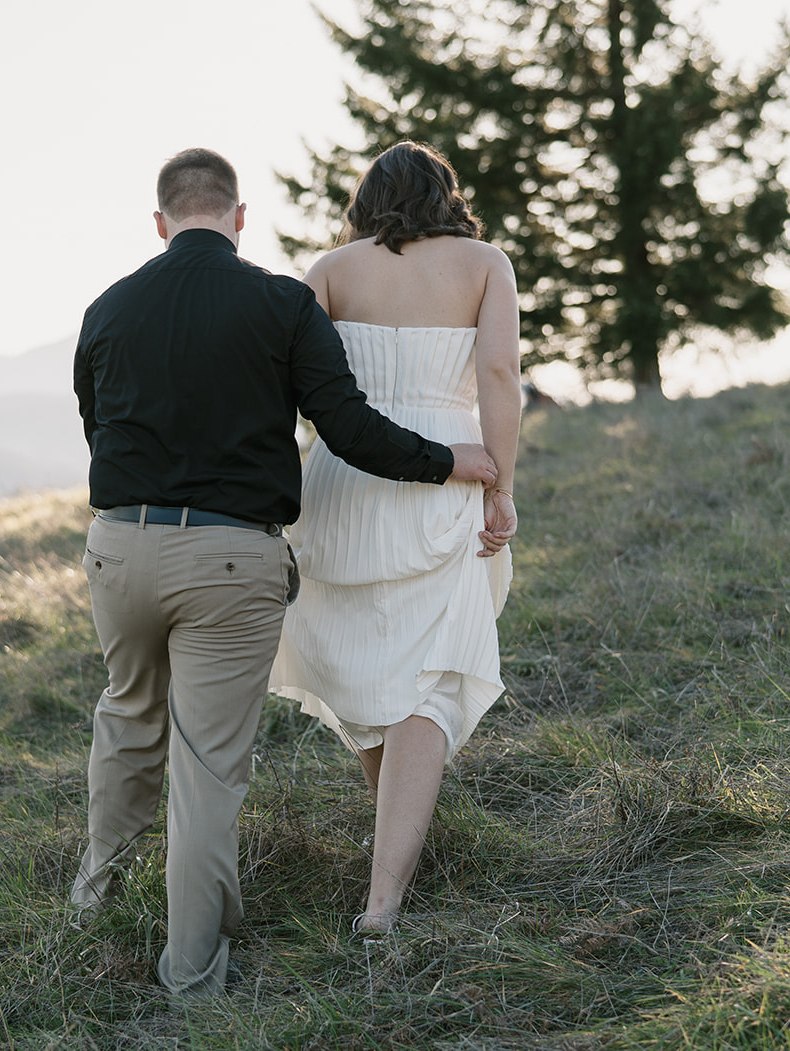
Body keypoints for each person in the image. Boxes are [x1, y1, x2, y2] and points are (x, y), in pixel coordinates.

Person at [70, 147, 500, 996]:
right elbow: (346, 426)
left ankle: (94, 892)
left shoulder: (108, 306)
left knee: (125, 715)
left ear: (160, 223)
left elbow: (96, 422)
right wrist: (456, 462)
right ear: (238, 216)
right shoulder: (278, 302)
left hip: (118, 545)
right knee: (206, 764)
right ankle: (191, 968)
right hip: (230, 556)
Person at [269, 141, 521, 934]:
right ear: (447, 196)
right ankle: (385, 895)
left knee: (373, 674)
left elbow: (287, 384)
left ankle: (392, 858)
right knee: (428, 683)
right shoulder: (485, 263)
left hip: (342, 481)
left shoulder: (332, 270)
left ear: (364, 200)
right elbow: (500, 378)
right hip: (448, 473)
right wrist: (502, 485)